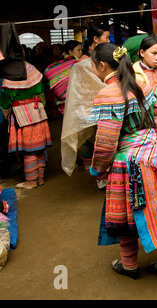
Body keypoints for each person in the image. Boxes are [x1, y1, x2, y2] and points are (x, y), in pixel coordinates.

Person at [88, 43, 157, 280]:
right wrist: (146, 139)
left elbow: (106, 141)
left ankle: (129, 266)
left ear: (100, 65)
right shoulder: (143, 84)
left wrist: (98, 168)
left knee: (126, 216)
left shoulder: (107, 94)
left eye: (92, 66)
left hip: (128, 163)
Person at [61, 24, 110, 190]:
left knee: (103, 142)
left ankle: (101, 176)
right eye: (106, 38)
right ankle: (97, 176)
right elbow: (79, 90)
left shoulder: (106, 58)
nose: (108, 41)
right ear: (95, 39)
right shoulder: (82, 63)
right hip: (89, 108)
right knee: (92, 142)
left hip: (105, 106)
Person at [0, 61, 51, 189]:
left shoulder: (11, 79)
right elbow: (40, 89)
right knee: (39, 150)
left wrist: (5, 112)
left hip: (22, 116)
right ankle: (40, 179)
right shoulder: (31, 69)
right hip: (38, 112)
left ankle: (31, 181)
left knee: (29, 152)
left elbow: (5, 100)